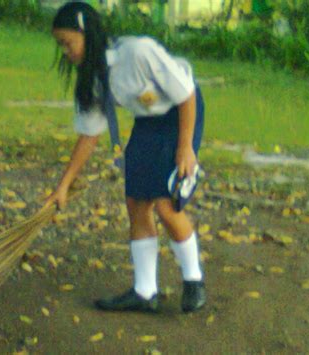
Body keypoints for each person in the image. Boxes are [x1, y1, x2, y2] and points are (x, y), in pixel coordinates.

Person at [45, 1, 206, 313]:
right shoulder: (92, 77)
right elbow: (89, 135)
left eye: (67, 43)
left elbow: (186, 93)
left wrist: (185, 148)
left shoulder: (137, 52)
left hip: (182, 113)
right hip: (149, 121)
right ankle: (145, 292)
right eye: (60, 45)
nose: (64, 51)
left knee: (165, 203)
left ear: (86, 33)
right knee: (136, 202)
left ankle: (193, 280)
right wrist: (63, 186)